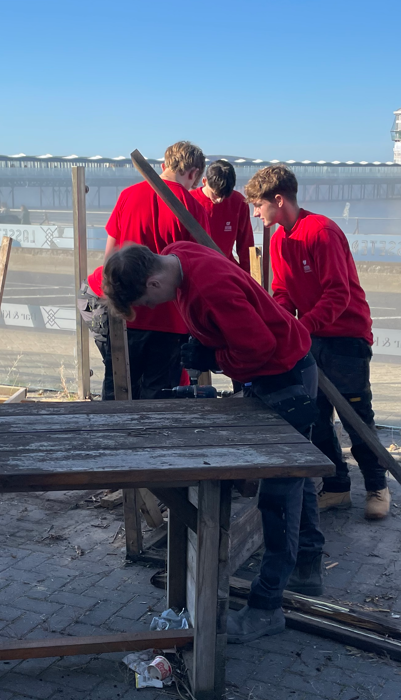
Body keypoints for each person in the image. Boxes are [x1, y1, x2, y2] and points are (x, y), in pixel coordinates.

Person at [101, 240, 324, 641]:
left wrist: (216, 358)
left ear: (153, 281)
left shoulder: (209, 288)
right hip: (274, 374)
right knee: (295, 482)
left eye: (148, 302)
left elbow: (259, 347)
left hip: (285, 378)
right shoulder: (178, 252)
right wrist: (205, 341)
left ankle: (266, 607)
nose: (153, 310)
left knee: (279, 497)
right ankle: (307, 564)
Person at [244, 164, 390, 520]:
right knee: (316, 416)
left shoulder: (321, 231)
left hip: (346, 339)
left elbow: (338, 294)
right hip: (310, 338)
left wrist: (302, 329)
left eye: (259, 205)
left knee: (356, 415)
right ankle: (337, 486)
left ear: (279, 200)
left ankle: (377, 486)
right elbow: (282, 292)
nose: (255, 212)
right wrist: (280, 324)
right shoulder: (279, 239)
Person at [83, 141, 210, 399]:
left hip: (126, 314)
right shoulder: (193, 207)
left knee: (118, 392)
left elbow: (110, 260)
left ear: (165, 165)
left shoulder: (128, 195)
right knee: (158, 401)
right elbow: (198, 269)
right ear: (194, 173)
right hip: (171, 321)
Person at [191, 159, 254, 272]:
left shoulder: (239, 202)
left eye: (226, 195)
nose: (220, 199)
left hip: (226, 269)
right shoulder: (190, 200)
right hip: (195, 270)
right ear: (204, 181)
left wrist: (248, 277)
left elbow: (246, 244)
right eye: (216, 194)